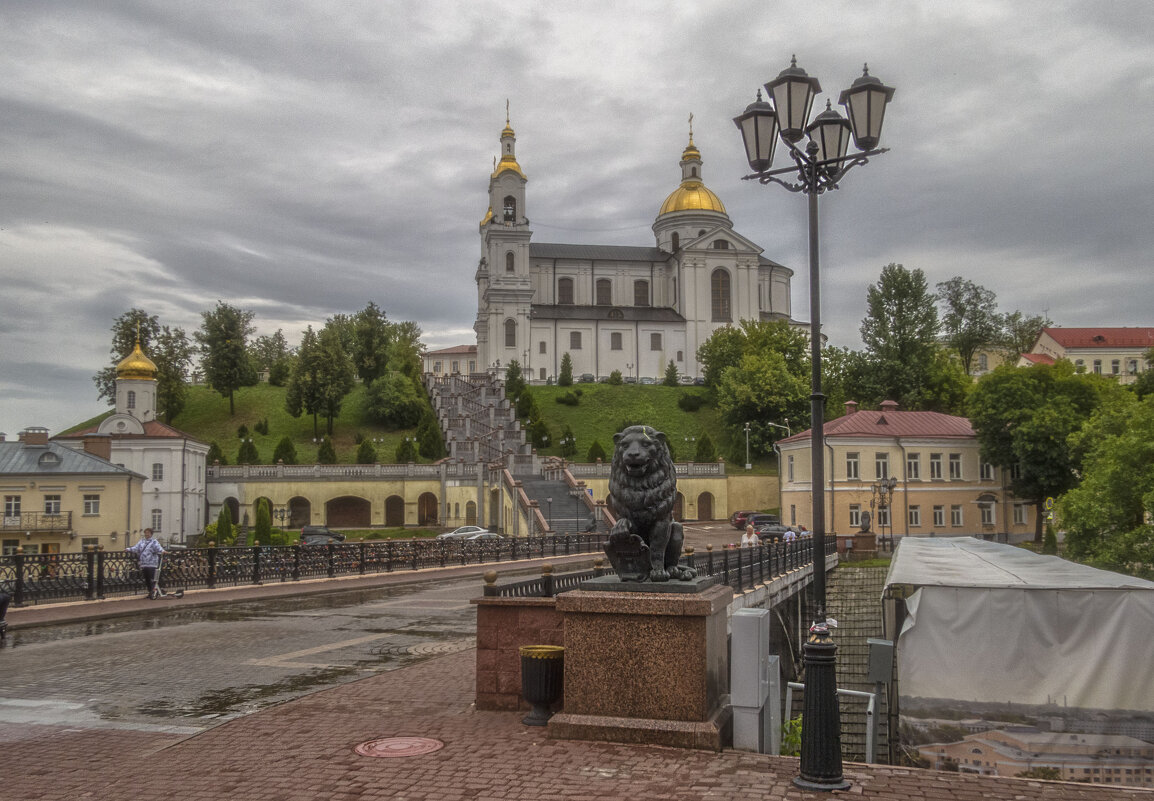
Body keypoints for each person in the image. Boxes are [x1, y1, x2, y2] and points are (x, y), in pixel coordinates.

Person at [126, 528, 166, 599]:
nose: (146, 534)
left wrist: (162, 551)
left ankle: (154, 592)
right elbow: (136, 548)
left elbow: (158, 548)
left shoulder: (154, 541)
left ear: (151, 534)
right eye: (145, 533)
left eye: (148, 533)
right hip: (144, 563)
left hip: (152, 563)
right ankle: (150, 591)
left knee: (152, 578)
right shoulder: (142, 541)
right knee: (147, 578)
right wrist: (128, 549)